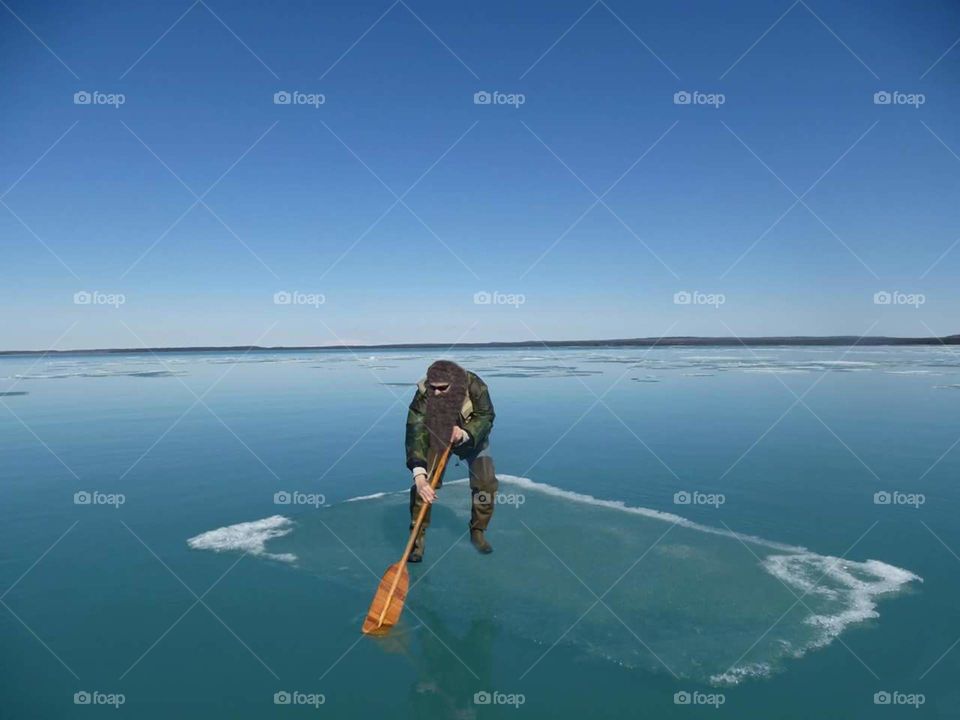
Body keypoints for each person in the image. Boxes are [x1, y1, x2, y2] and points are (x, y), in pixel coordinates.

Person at [405, 359, 496, 562]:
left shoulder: (475, 385)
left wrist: (465, 433)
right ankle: (416, 541)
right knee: (424, 486)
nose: (436, 393)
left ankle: (478, 530)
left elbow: (486, 415)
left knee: (486, 484)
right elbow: (415, 431)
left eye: (442, 388)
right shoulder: (423, 393)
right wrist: (419, 475)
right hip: (437, 437)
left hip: (472, 439)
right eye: (433, 388)